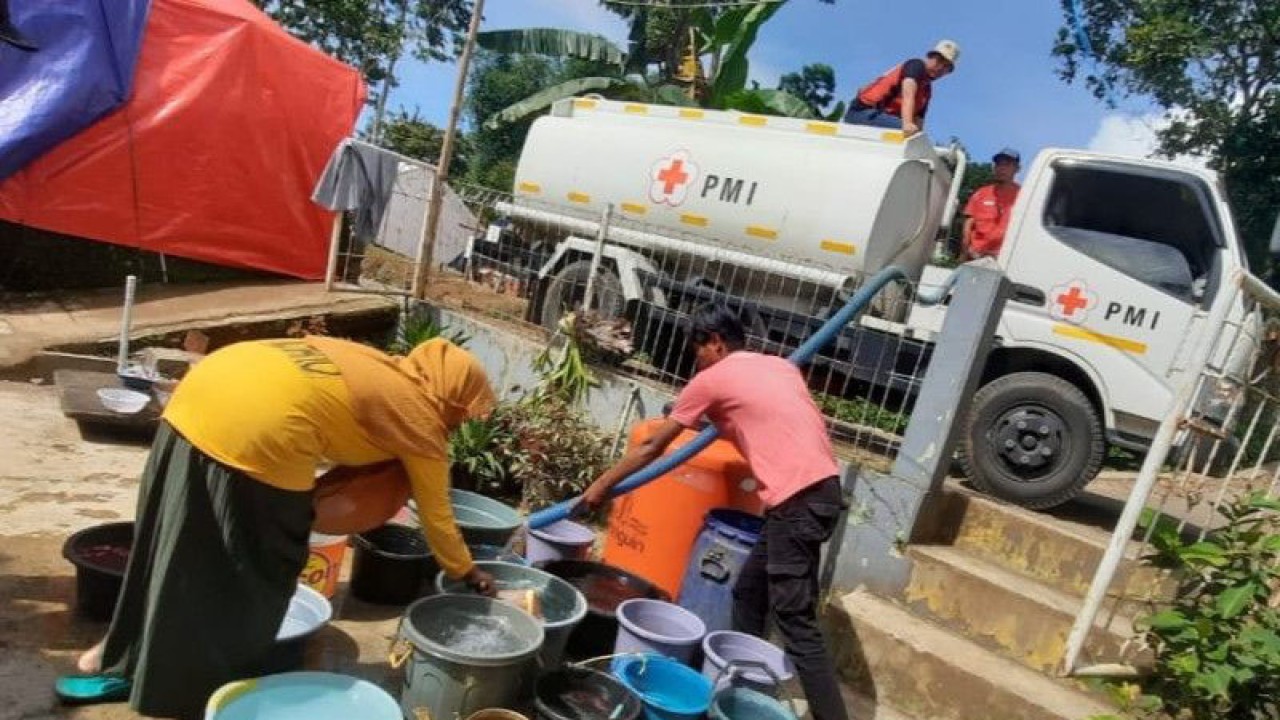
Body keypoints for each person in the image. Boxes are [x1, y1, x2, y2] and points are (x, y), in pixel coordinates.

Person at [58, 336, 498, 718]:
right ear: (452, 397)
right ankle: (195, 691)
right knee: (255, 578)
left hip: (195, 401)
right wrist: (468, 572)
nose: (459, 423)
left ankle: (120, 661)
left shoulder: (377, 364)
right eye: (463, 412)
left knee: (172, 545)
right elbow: (437, 517)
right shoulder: (421, 421)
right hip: (257, 435)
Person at [579, 303, 848, 720]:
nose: (696, 363)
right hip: (818, 492)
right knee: (748, 592)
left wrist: (599, 488)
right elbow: (760, 415)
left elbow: (652, 446)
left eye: (697, 352)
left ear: (716, 343)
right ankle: (741, 696)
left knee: (796, 623)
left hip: (798, 501)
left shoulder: (713, 379)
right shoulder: (777, 367)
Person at [844, 40, 960, 137]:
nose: (940, 68)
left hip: (882, 117)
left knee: (917, 137)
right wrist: (908, 124)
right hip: (862, 113)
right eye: (938, 61)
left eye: (946, 67)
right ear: (929, 57)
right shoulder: (916, 66)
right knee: (908, 131)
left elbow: (919, 121)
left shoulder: (926, 90)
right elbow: (908, 95)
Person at [961, 148, 1022, 259]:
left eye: (1007, 164)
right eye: (998, 164)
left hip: (1003, 259)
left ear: (1017, 169)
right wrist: (966, 250)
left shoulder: (1023, 196)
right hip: (975, 256)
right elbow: (969, 223)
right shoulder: (981, 193)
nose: (1001, 168)